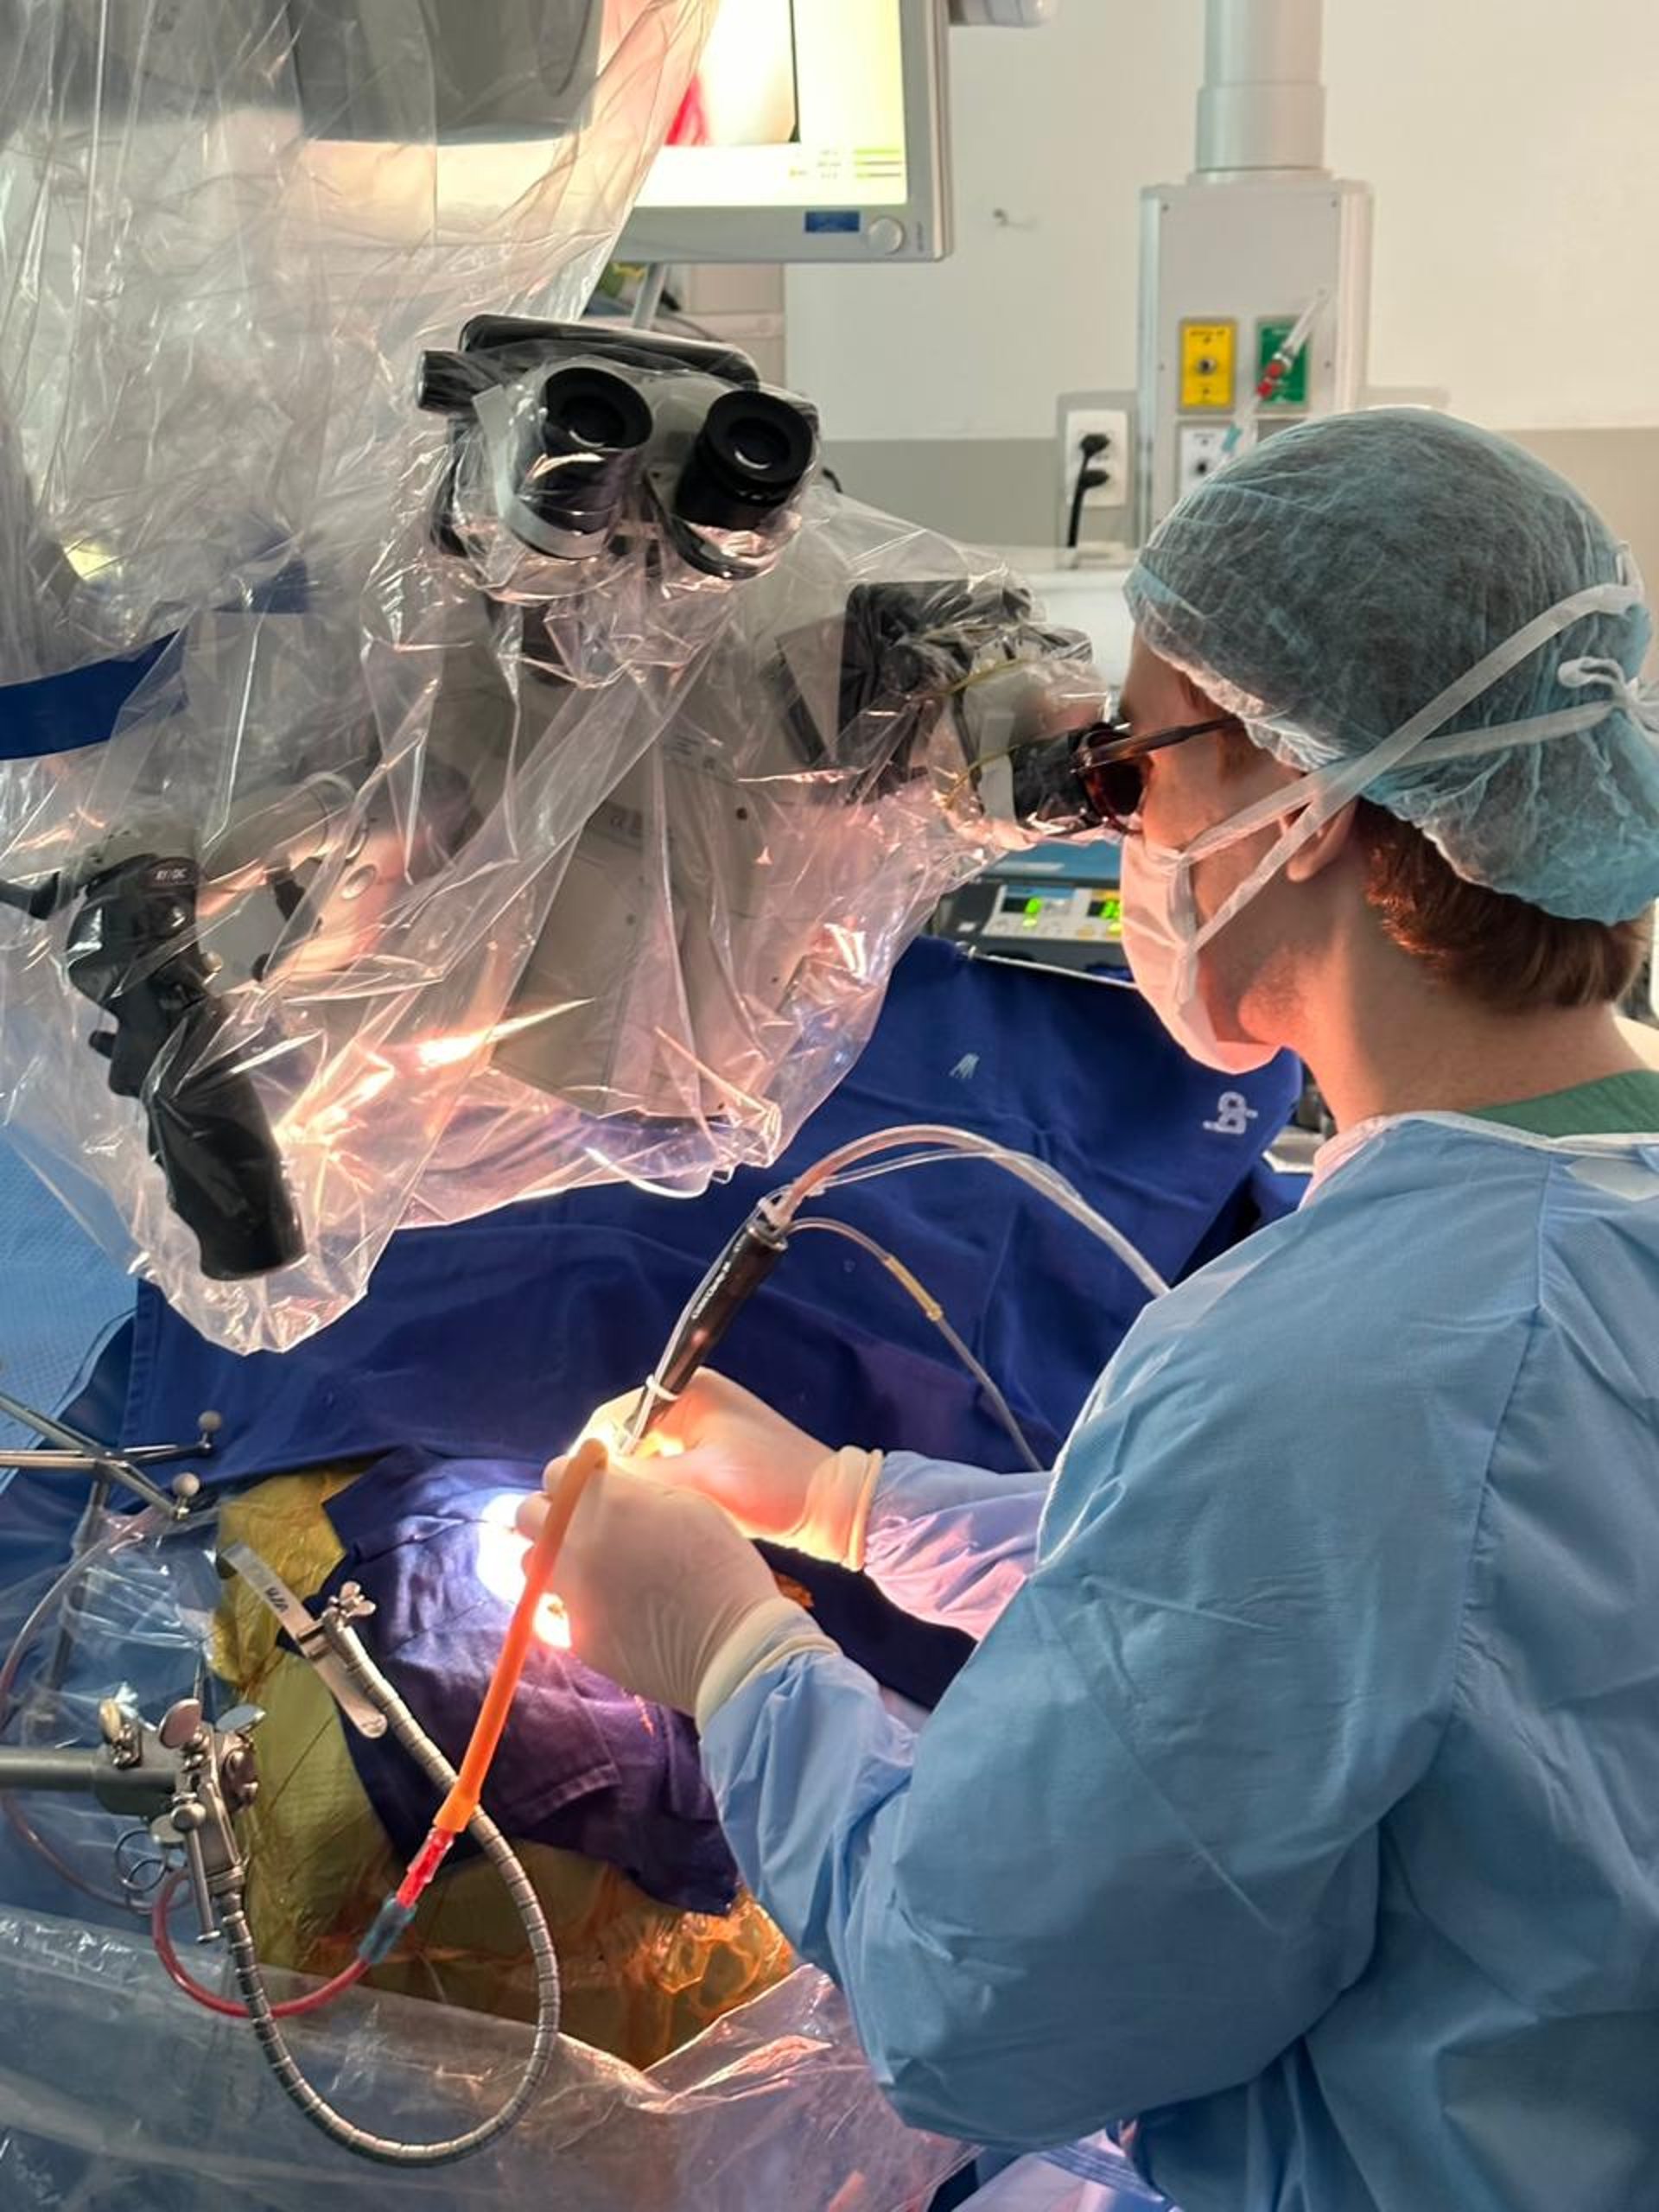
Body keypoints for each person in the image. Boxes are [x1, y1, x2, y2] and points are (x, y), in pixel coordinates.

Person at [519, 411, 1659, 2212]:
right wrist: (844, 1506)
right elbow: (1354, 1617)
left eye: (1139, 766)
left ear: (1313, 804)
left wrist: (732, 1654)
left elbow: (982, 2002)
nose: (1119, 818)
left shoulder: (1343, 1363)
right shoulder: (1571, 1233)